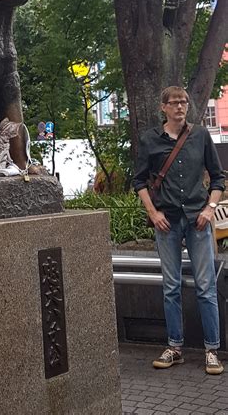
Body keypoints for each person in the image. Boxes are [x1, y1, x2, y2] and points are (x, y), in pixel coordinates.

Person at [133, 86, 225, 375]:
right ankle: (175, 347)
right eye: (174, 103)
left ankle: (212, 349)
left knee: (206, 286)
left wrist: (210, 210)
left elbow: (218, 178)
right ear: (163, 108)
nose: (180, 107)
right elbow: (139, 182)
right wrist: (153, 212)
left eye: (184, 102)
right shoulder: (150, 140)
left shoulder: (200, 136)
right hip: (167, 221)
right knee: (170, 287)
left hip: (198, 219)